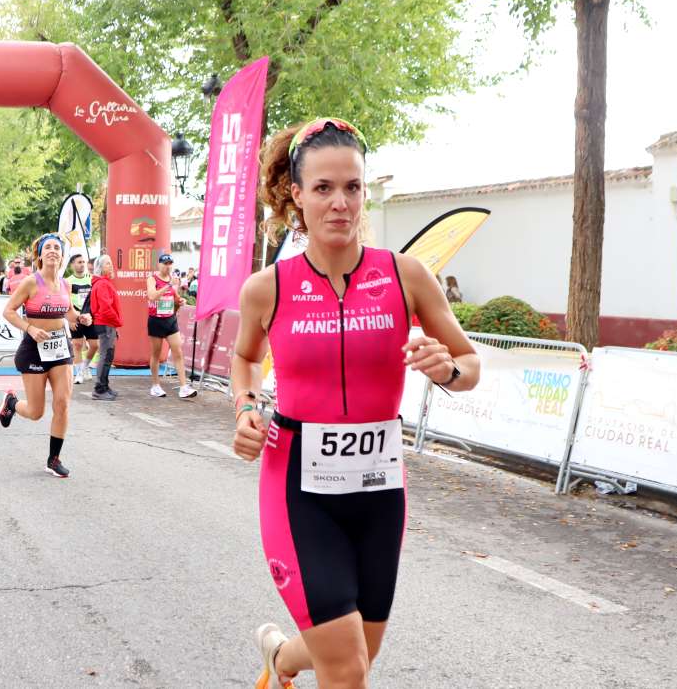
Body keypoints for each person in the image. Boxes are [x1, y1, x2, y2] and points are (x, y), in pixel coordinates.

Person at [230, 118, 480, 689]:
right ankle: (293, 657)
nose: (340, 203)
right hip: (298, 488)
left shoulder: (406, 276)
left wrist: (447, 368)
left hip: (378, 490)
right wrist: (245, 407)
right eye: (323, 188)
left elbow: (470, 366)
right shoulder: (268, 287)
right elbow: (244, 360)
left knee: (353, 656)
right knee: (345, 667)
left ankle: (280, 658)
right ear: (296, 194)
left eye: (353, 187)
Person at [0, 234, 80, 477]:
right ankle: (11, 403)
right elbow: (8, 311)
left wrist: (80, 319)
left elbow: (68, 312)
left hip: (60, 348)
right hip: (34, 349)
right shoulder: (31, 283)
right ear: (40, 255)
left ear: (62, 255)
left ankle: (54, 459)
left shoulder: (66, 284)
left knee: (63, 403)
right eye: (48, 248)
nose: (53, 251)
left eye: (57, 247)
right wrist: (30, 329)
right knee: (36, 412)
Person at [146, 252, 196, 398]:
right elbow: (152, 296)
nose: (167, 266)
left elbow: (174, 298)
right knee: (156, 354)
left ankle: (183, 387)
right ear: (159, 265)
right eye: (164, 263)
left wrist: (180, 301)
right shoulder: (152, 279)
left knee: (178, 352)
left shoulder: (173, 280)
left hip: (170, 320)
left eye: (169, 263)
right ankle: (155, 385)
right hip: (156, 320)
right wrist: (168, 285)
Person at [86, 255, 122, 401]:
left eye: (111, 263)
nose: (111, 265)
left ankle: (104, 386)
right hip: (105, 323)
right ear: (100, 267)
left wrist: (115, 323)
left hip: (107, 323)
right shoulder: (102, 284)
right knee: (105, 356)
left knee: (108, 356)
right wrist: (117, 321)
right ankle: (99, 389)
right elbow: (105, 308)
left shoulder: (103, 283)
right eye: (108, 263)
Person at [65, 253, 99, 385]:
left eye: (83, 262)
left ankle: (85, 366)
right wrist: (70, 319)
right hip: (75, 317)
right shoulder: (68, 281)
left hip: (90, 317)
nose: (82, 264)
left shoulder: (91, 279)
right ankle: (79, 373)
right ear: (72, 264)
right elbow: (66, 301)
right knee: (77, 345)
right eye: (79, 262)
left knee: (95, 345)